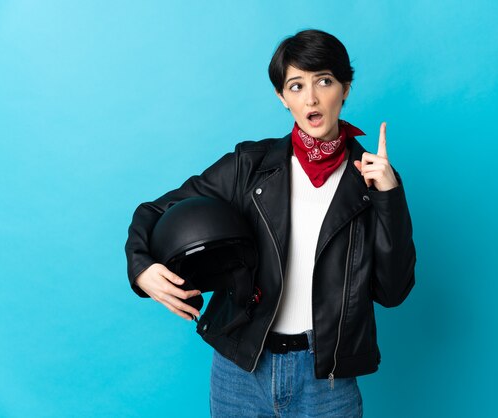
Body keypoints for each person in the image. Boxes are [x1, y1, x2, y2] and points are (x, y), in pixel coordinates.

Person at [125, 29, 416, 417]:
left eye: (324, 82)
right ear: (282, 97)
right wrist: (141, 268)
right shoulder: (251, 166)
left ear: (345, 88)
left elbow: (393, 292)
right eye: (296, 86)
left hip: (326, 378)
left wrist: (388, 197)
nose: (310, 98)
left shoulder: (372, 181)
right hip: (241, 369)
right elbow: (155, 211)